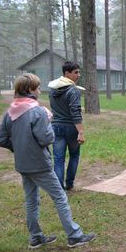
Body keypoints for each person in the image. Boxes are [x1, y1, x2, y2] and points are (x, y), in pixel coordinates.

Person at [0, 73, 95, 249]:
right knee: (60, 197)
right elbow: (46, 139)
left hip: (22, 164)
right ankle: (74, 236)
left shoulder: (11, 111)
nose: (40, 90)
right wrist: (48, 121)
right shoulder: (38, 111)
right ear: (30, 90)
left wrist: (18, 146)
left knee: (31, 199)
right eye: (38, 87)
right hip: (39, 163)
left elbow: (0, 138)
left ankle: (36, 237)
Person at [48, 61, 85, 191]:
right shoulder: (73, 90)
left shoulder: (52, 89)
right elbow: (75, 112)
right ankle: (69, 184)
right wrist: (80, 131)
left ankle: (59, 188)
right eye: (76, 72)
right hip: (71, 128)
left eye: (79, 72)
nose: (78, 75)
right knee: (74, 155)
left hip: (56, 127)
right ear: (66, 73)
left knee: (58, 159)